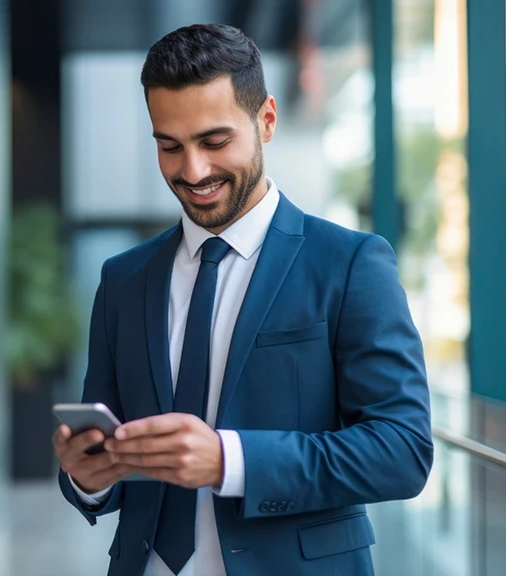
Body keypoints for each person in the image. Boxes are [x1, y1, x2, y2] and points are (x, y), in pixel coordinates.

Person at [52, 23, 433, 576]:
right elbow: (106, 450)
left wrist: (231, 460)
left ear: (267, 121)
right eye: (169, 146)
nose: (193, 170)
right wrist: (86, 480)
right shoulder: (122, 280)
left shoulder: (350, 264)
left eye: (214, 141)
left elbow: (402, 450)